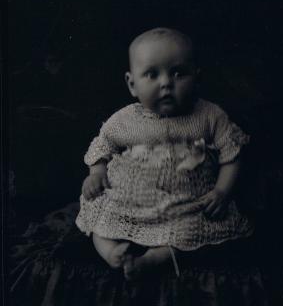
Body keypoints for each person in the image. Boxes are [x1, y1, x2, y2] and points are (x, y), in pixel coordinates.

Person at [76, 27, 253, 280]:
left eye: (178, 73)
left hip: (185, 205)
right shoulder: (125, 120)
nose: (166, 83)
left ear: (197, 78)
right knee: (101, 223)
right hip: (129, 202)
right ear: (132, 84)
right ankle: (112, 253)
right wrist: (97, 173)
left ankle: (152, 260)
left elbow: (231, 154)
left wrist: (222, 191)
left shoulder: (210, 116)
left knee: (188, 235)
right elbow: (103, 147)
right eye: (151, 74)